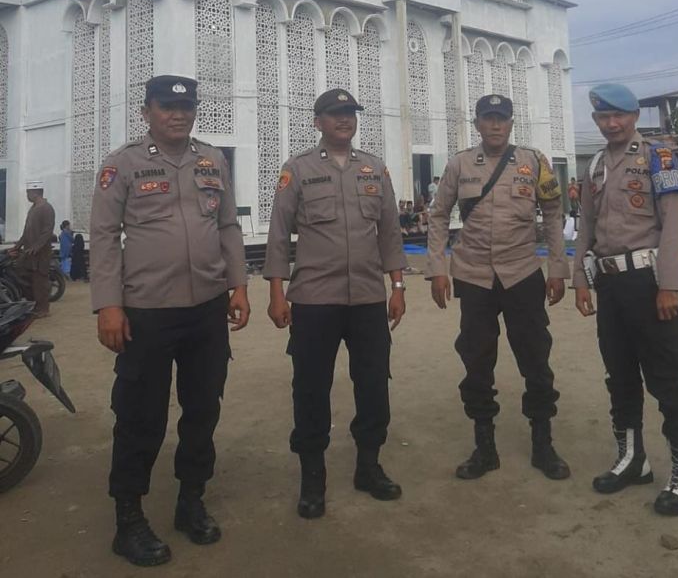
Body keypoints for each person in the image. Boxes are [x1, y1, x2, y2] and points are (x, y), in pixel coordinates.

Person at [89, 75, 250, 568]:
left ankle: (190, 500)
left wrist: (238, 284)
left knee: (203, 409)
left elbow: (226, 225)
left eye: (186, 107)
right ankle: (128, 519)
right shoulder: (123, 164)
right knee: (140, 416)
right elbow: (102, 235)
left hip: (206, 308)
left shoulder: (211, 160)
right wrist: (108, 305)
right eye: (167, 107)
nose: (178, 114)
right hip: (148, 311)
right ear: (147, 112)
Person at [264, 88, 406, 520]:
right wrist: (276, 291)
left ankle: (369, 466)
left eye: (349, 113)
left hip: (366, 298)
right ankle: (313, 478)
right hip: (314, 299)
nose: (344, 119)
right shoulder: (298, 170)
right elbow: (278, 233)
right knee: (310, 388)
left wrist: (397, 286)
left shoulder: (374, 169)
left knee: (373, 384)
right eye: (335, 113)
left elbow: (389, 232)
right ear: (318, 121)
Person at [427, 93, 571, 482]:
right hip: (473, 276)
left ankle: (543, 443)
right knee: (476, 360)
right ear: (477, 123)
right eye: (488, 118)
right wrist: (438, 268)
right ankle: (484, 447)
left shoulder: (533, 162)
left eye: (502, 119)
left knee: (536, 359)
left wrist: (558, 267)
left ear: (511, 124)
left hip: (522, 273)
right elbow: (439, 215)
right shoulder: (459, 164)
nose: (495, 125)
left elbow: (554, 213)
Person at [573, 83, 678, 517]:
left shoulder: (656, 157)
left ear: (633, 118)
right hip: (609, 286)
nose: (611, 124)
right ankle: (634, 460)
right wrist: (580, 280)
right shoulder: (593, 167)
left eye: (619, 116)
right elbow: (586, 226)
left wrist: (670, 285)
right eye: (603, 117)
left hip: (649, 284)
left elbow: (672, 223)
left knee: (667, 381)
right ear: (596, 121)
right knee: (620, 377)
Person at [9, 181, 56, 318]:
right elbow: (26, 231)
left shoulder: (46, 208)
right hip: (29, 252)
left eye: (27, 193)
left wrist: (36, 247)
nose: (27, 196)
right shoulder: (33, 208)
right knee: (25, 278)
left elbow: (47, 231)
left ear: (34, 193)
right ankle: (33, 305)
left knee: (40, 281)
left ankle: (43, 309)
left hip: (40, 253)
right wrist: (18, 245)